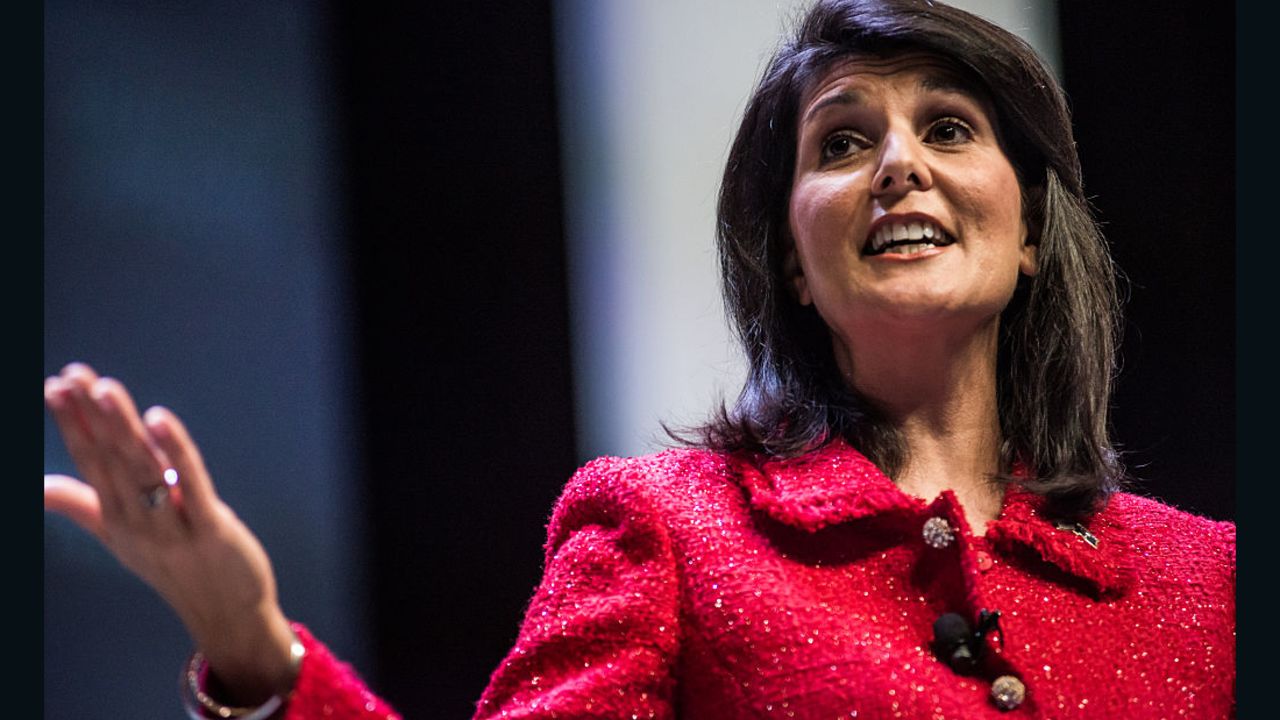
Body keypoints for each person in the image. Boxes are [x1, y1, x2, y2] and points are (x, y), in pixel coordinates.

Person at [44, 0, 1235, 718]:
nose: (897, 165)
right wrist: (257, 649)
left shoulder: (1208, 581)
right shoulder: (667, 530)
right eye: (843, 139)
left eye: (949, 128)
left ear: (1029, 230)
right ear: (788, 259)